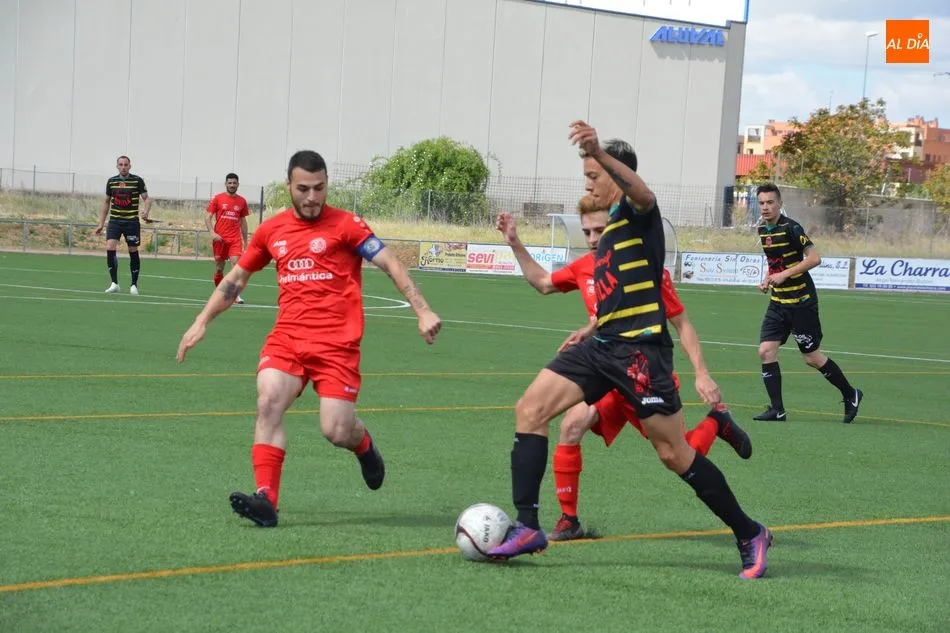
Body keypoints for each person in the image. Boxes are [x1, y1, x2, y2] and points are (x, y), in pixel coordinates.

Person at [487, 122, 772, 580]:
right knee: (530, 410)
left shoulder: (638, 215)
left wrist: (599, 151)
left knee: (674, 453)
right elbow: (554, 286)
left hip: (641, 355)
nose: (587, 185)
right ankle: (528, 527)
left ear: (615, 174)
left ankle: (750, 532)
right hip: (601, 349)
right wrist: (517, 245)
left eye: (593, 176)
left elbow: (644, 194)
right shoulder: (604, 241)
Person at [176, 150, 443, 528]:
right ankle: (266, 499)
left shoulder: (348, 225)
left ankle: (363, 445)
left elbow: (391, 264)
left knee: (336, 430)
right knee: (268, 400)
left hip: (337, 346)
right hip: (287, 339)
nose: (312, 197)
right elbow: (236, 279)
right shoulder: (272, 231)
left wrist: (423, 310)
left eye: (319, 188)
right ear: (289, 186)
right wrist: (202, 321)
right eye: (303, 189)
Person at [496, 201, 751, 542]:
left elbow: (682, 324)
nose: (592, 239)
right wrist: (515, 242)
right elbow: (543, 282)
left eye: (599, 231)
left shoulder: (645, 269)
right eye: (587, 232)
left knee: (680, 453)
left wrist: (702, 373)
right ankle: (568, 520)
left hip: (641, 371)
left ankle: (717, 421)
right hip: (603, 370)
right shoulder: (585, 266)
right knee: (570, 425)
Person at [753, 183, 863, 423]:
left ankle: (850, 394)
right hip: (778, 303)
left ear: (780, 204)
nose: (766, 207)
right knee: (766, 351)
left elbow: (814, 258)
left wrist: (785, 275)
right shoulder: (762, 229)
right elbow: (775, 263)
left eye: (770, 202)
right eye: (761, 203)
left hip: (801, 303)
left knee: (811, 357)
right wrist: (768, 279)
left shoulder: (792, 228)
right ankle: (777, 410)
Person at [95, 155, 150, 295]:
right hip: (115, 221)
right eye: (121, 164)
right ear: (117, 166)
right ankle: (114, 283)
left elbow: (146, 199)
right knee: (110, 246)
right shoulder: (112, 181)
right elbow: (106, 202)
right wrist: (101, 223)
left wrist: (145, 212)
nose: (123, 167)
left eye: (126, 164)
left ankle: (134, 285)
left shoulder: (137, 180)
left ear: (130, 166)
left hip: (131, 221)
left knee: (132, 250)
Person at [206, 172, 249, 304]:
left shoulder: (242, 201)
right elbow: (207, 217)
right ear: (226, 184)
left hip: (235, 239)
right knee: (219, 268)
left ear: (238, 184)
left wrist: (246, 242)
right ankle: (220, 292)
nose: (232, 185)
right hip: (220, 239)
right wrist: (212, 233)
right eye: (229, 183)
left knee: (236, 266)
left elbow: (243, 222)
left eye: (234, 183)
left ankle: (234, 295)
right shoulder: (217, 198)